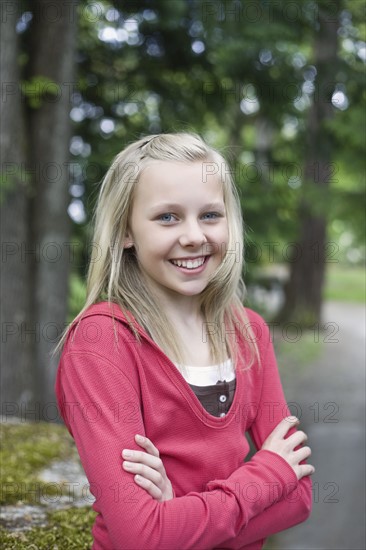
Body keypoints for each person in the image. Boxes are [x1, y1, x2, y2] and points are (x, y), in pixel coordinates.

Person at [55, 132, 314, 550]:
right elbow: (140, 537)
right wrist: (267, 474)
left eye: (210, 215)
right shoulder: (101, 343)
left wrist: (180, 515)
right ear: (126, 231)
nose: (194, 235)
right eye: (168, 218)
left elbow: (299, 498)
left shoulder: (248, 333)